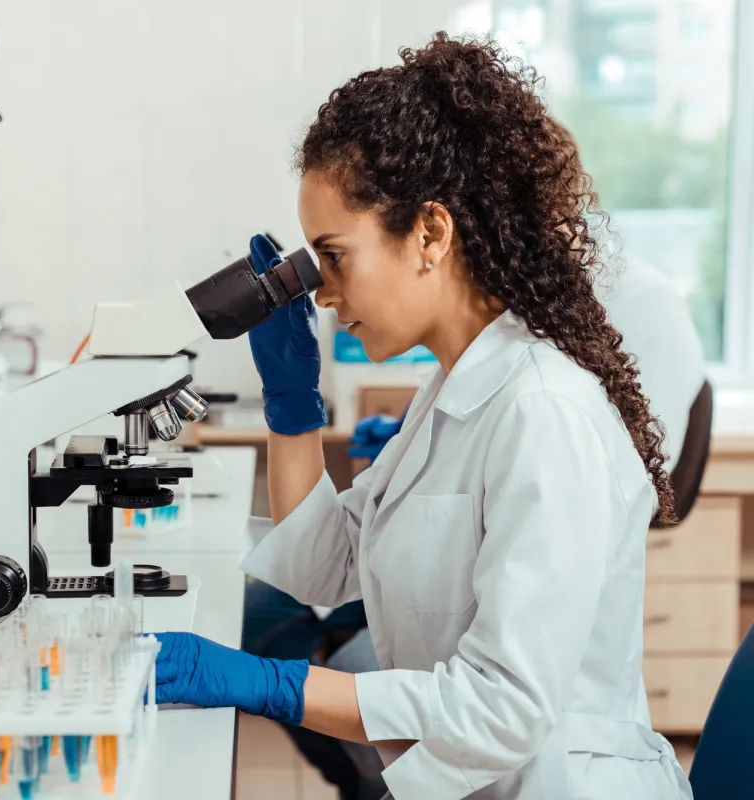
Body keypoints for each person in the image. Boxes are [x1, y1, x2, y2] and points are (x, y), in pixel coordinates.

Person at [153, 33, 693, 799]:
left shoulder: (543, 410)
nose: (324, 294)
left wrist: (271, 683)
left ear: (431, 234)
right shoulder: (455, 386)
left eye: (334, 256)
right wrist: (292, 408)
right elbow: (322, 567)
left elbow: (503, 710)